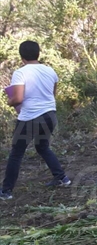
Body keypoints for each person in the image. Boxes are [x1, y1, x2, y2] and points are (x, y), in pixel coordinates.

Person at [0, 41, 70, 200]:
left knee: (16, 153)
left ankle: (6, 191)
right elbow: (51, 94)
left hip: (30, 119)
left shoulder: (20, 72)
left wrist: (9, 101)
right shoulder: (50, 71)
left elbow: (17, 98)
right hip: (50, 116)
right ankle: (61, 178)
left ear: (21, 56)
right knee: (43, 146)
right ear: (38, 53)